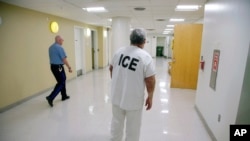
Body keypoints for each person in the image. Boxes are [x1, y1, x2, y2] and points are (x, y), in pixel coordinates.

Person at [109, 28, 156, 141]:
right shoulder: (145, 57)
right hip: (133, 100)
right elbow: (150, 80)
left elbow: (111, 69)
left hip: (116, 96)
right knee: (133, 130)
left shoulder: (119, 52)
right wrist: (150, 96)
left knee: (116, 124)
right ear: (144, 41)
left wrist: (118, 82)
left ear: (130, 39)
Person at [46, 35, 72, 107]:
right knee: (61, 82)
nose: (63, 41)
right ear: (59, 40)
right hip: (58, 67)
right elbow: (64, 59)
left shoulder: (50, 47)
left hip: (53, 67)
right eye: (62, 40)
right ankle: (51, 97)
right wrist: (69, 67)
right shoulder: (59, 48)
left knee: (62, 81)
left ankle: (64, 96)